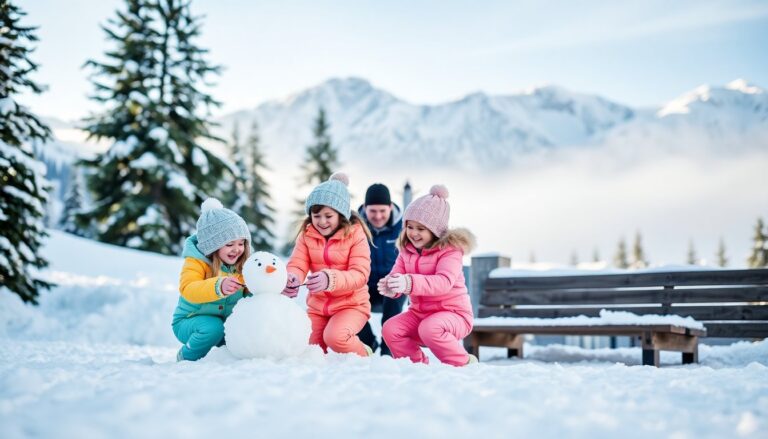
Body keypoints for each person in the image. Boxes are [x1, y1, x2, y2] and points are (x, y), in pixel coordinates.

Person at [379, 185, 478, 366]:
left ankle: (463, 363)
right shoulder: (406, 250)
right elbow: (397, 275)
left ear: (435, 230)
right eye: (410, 227)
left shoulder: (450, 251)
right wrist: (391, 286)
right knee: (391, 329)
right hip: (419, 315)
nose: (413, 233)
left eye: (421, 228)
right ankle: (416, 366)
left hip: (454, 315)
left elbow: (443, 282)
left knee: (430, 328)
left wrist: (408, 283)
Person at [282, 172, 374, 356]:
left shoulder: (355, 235)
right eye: (316, 215)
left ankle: (365, 354)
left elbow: (360, 274)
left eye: (328, 216)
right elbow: (298, 264)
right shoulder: (307, 235)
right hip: (318, 307)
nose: (322, 221)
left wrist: (330, 279)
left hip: (351, 305)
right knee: (306, 346)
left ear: (341, 215)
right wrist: (291, 278)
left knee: (335, 337)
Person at [172, 198, 252, 361]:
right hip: (190, 321)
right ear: (212, 245)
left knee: (239, 330)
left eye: (241, 243)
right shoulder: (196, 262)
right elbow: (188, 288)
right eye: (229, 244)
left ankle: (229, 360)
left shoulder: (242, 265)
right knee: (213, 327)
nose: (237, 249)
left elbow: (252, 293)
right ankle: (186, 357)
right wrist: (218, 286)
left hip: (224, 324)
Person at [357, 183, 405, 356]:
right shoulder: (355, 227)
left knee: (394, 292)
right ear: (365, 208)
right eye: (373, 211)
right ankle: (369, 342)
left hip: (392, 283)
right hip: (364, 286)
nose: (378, 216)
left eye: (382, 211)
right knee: (345, 302)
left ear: (390, 207)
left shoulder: (404, 228)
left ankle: (388, 350)